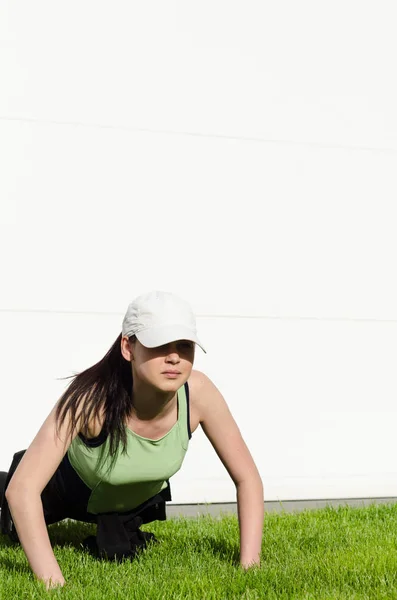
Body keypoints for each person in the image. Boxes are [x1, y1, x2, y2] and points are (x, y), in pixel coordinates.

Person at [0, 291, 264, 588]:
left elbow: (248, 479)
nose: (174, 356)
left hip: (126, 502)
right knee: (11, 513)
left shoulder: (199, 393)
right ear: (129, 347)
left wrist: (250, 568)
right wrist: (53, 584)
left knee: (119, 552)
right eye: (160, 344)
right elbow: (23, 490)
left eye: (184, 346)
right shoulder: (90, 401)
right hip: (62, 491)